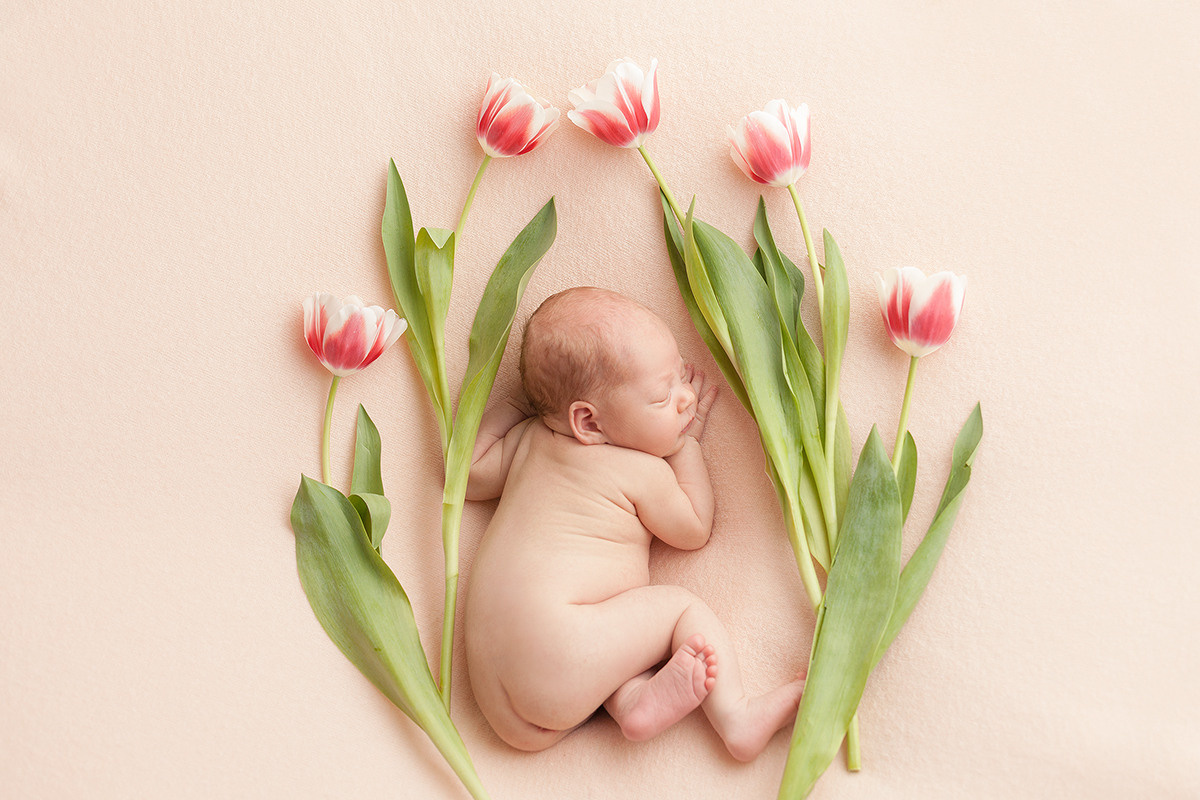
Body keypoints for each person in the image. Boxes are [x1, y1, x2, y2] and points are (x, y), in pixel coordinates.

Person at [464, 287, 804, 760]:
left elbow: (467, 473)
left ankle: (630, 700)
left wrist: (521, 405)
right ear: (589, 423)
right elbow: (693, 528)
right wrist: (687, 449)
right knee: (682, 609)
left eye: (679, 376)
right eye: (662, 395)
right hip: (559, 647)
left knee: (613, 627)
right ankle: (737, 716)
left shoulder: (527, 443)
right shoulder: (642, 472)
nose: (686, 398)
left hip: (500, 697)